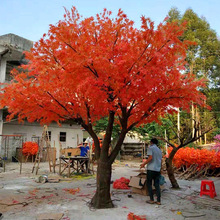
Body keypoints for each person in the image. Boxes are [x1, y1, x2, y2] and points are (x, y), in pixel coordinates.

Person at [140, 138, 162, 205]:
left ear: (151, 142)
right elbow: (160, 160)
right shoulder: (159, 150)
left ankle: (151, 199)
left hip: (151, 169)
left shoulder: (150, 148)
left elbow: (150, 158)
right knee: (156, 185)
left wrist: (143, 164)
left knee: (149, 184)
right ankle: (158, 200)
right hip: (157, 169)